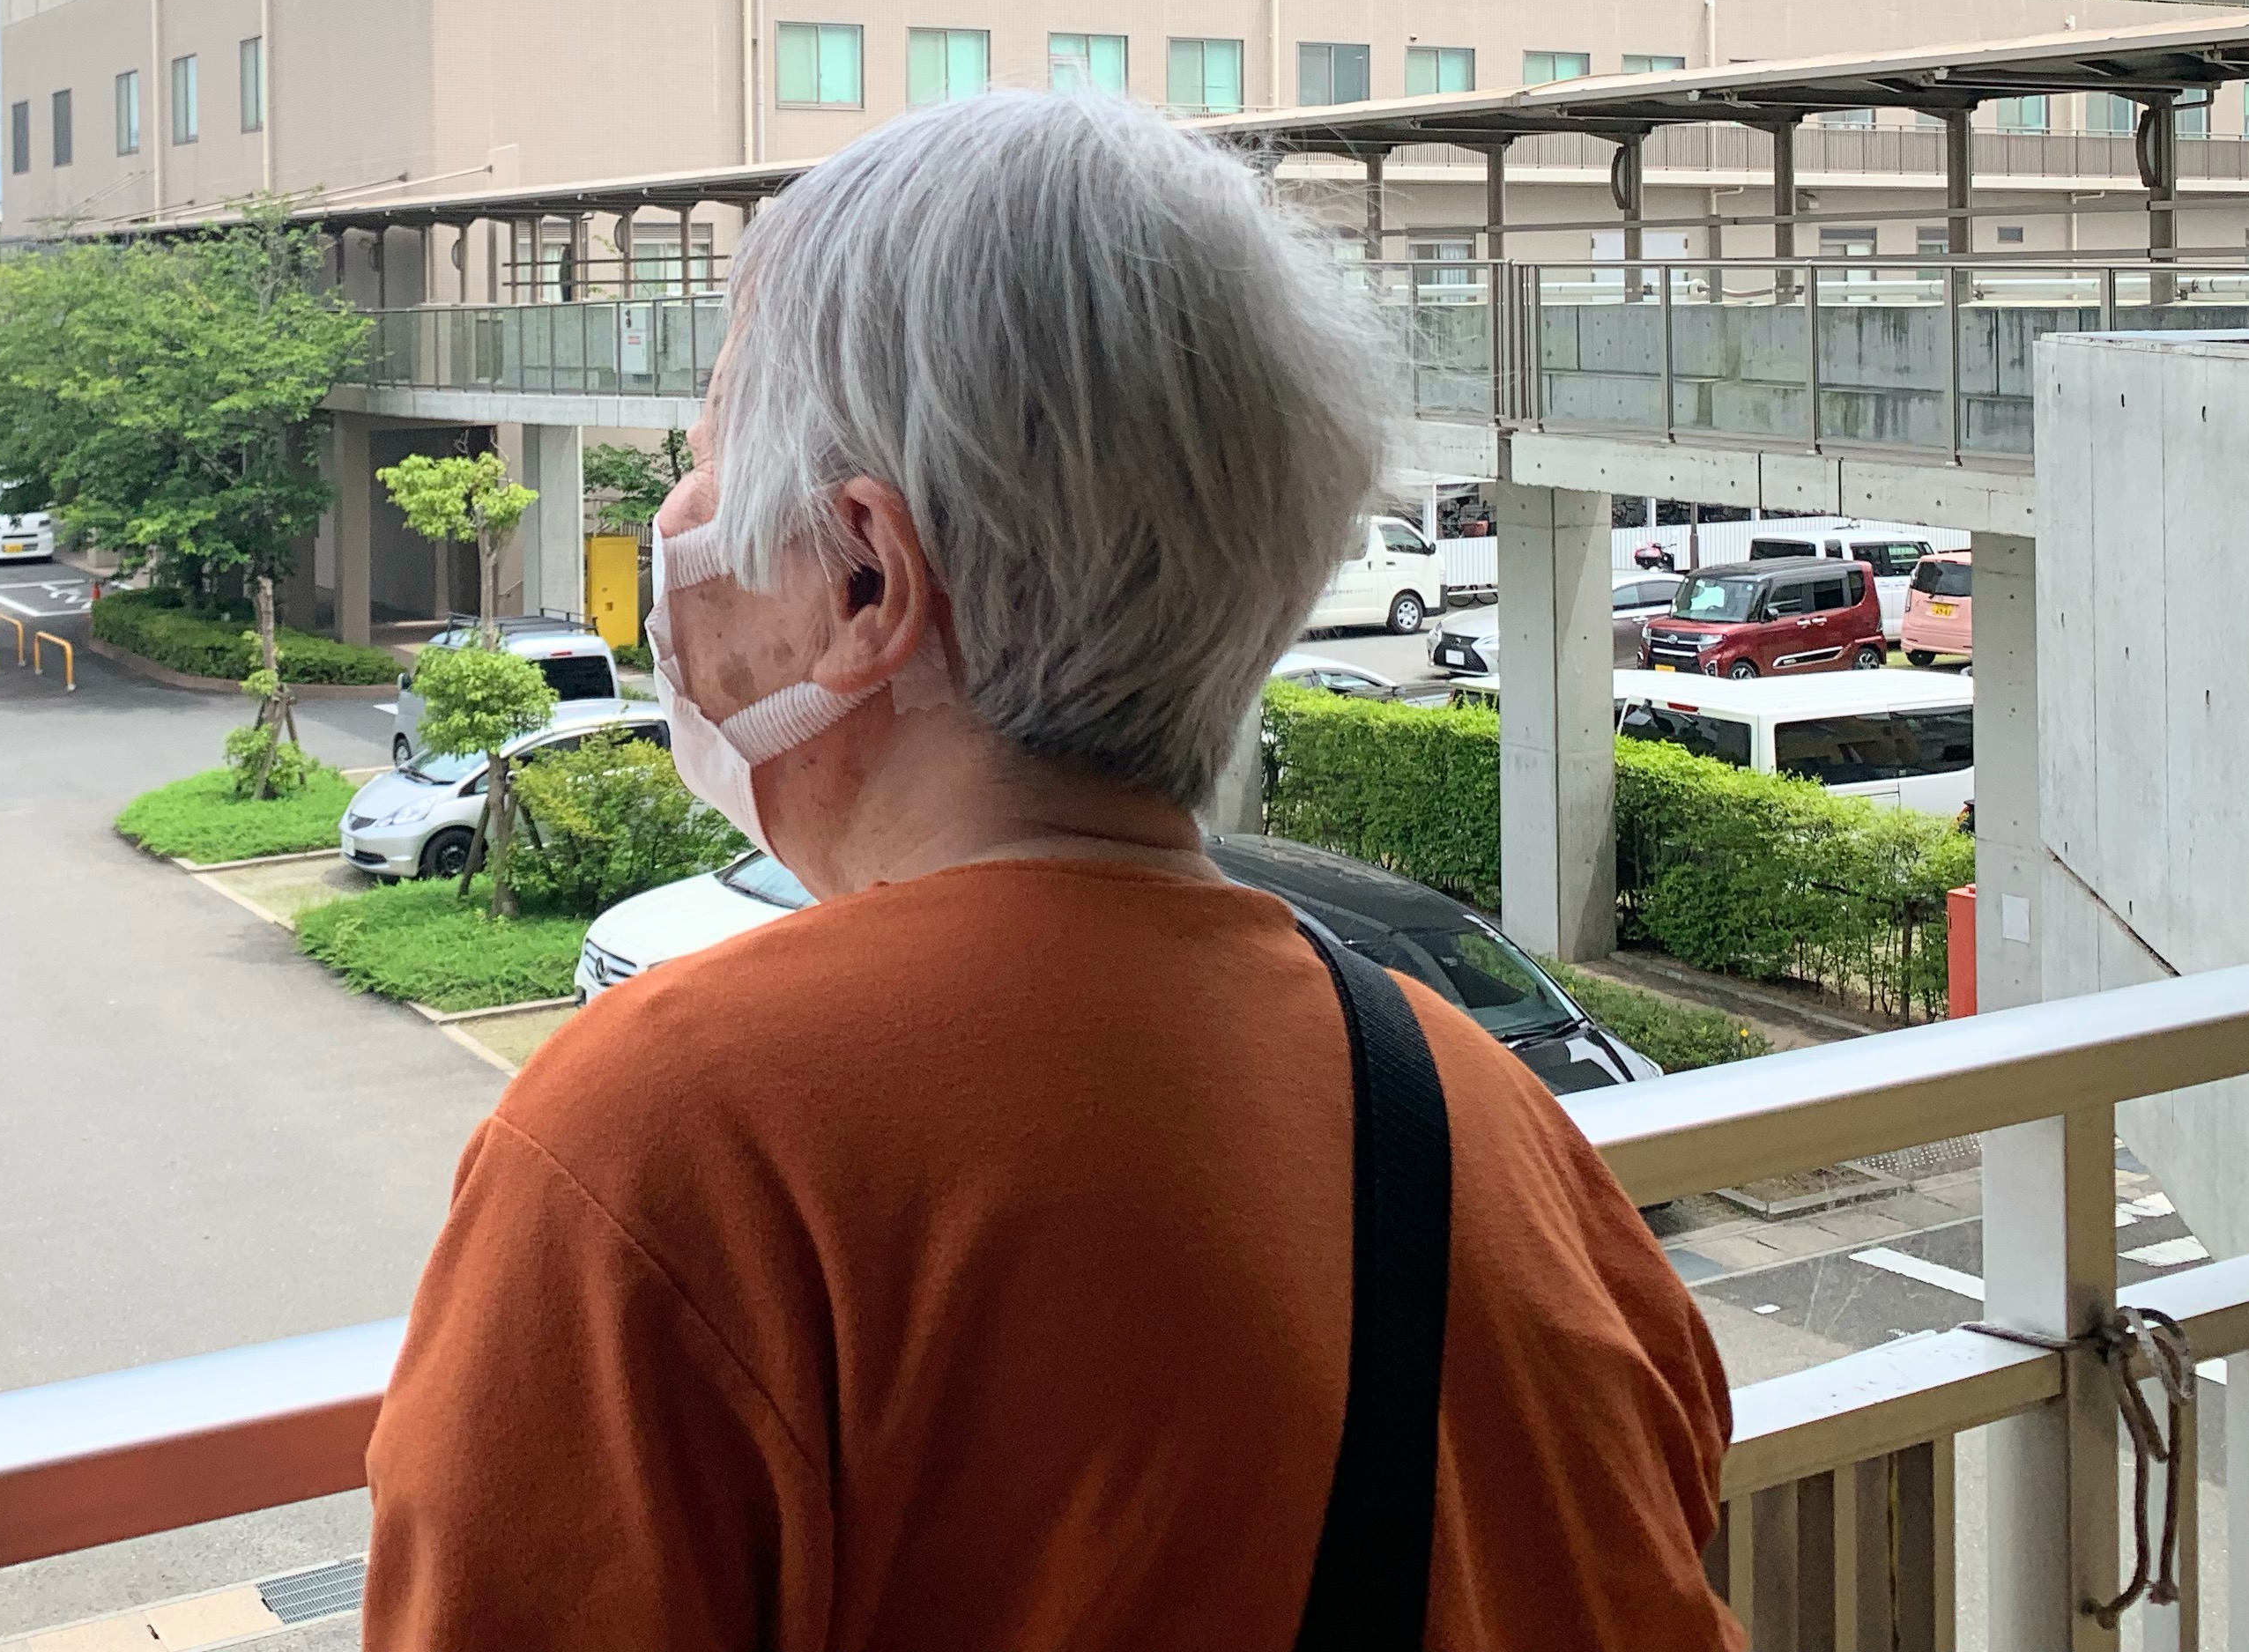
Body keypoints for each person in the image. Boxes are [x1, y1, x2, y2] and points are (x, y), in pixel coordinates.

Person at [364, 93, 1734, 1652]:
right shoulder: (1484, 1115)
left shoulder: (679, 1139)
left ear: (866, 577)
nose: (679, 524)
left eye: (706, 455)